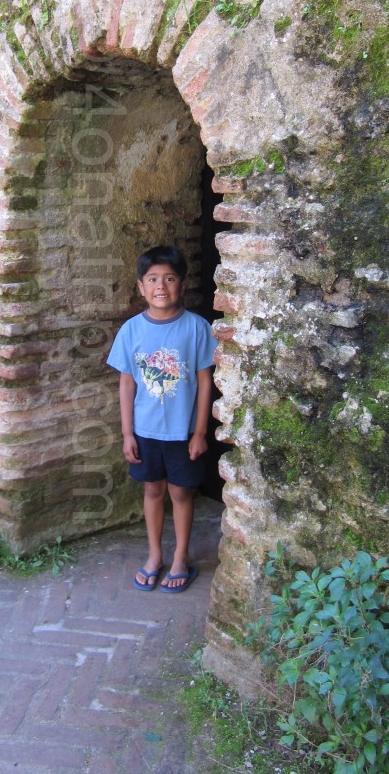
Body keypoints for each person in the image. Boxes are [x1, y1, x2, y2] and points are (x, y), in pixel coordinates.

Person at [106, 245, 217, 593]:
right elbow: (126, 383)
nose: (161, 286)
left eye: (169, 278)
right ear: (141, 287)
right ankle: (155, 555)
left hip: (183, 433)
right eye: (152, 279)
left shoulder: (197, 328)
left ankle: (181, 557)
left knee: (182, 494)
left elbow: (204, 380)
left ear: (182, 285)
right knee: (153, 491)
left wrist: (200, 432)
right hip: (146, 431)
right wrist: (127, 433)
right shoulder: (131, 331)